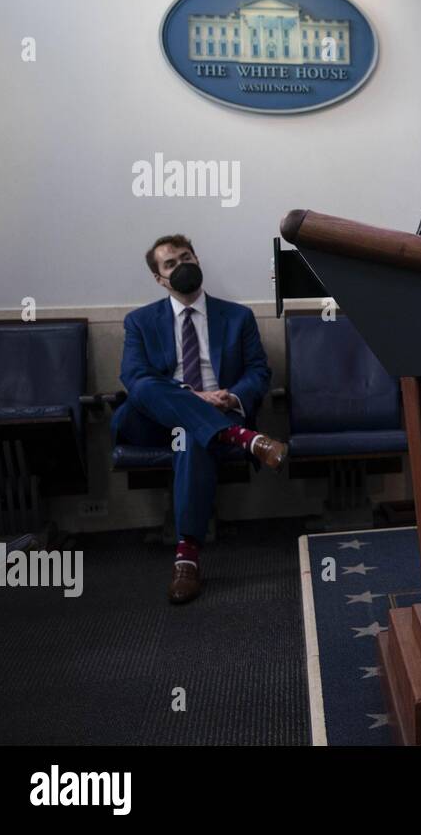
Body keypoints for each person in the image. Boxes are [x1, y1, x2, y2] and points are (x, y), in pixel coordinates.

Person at [110, 235, 288, 604]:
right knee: (143, 384)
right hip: (150, 421)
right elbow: (134, 377)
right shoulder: (140, 321)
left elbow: (258, 372)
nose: (180, 266)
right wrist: (194, 397)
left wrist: (231, 397)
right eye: (170, 264)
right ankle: (243, 437)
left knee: (190, 434)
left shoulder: (238, 317)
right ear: (160, 279)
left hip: (206, 419)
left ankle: (187, 558)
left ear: (198, 259)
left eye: (185, 257)